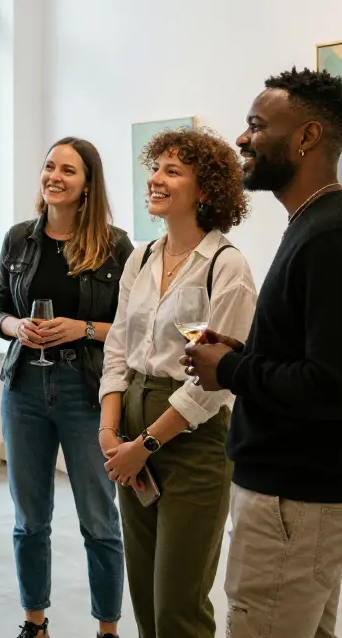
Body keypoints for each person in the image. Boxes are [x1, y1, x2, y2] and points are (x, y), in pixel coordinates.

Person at [183, 68, 342, 638]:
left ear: (305, 137)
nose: (242, 139)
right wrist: (243, 353)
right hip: (303, 492)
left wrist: (229, 368)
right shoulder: (320, 224)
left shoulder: (334, 236)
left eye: (256, 125)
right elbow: (318, 357)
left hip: (297, 497)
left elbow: (340, 390)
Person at [99, 127, 256, 638]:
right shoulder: (140, 257)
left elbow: (213, 384)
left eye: (173, 171)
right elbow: (118, 347)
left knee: (177, 605)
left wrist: (145, 443)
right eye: (156, 167)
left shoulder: (225, 266)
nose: (156, 179)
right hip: (131, 428)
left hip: (190, 440)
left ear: (204, 190)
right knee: (144, 596)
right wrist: (110, 429)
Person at [0, 137, 132, 638]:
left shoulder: (115, 246)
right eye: (50, 165)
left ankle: (108, 629)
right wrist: (16, 329)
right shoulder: (17, 240)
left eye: (67, 170)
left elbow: (134, 327)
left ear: (87, 184)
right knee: (29, 519)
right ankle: (35, 623)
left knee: (99, 519)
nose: (54, 176)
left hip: (86, 390)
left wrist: (82, 328)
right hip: (25, 386)